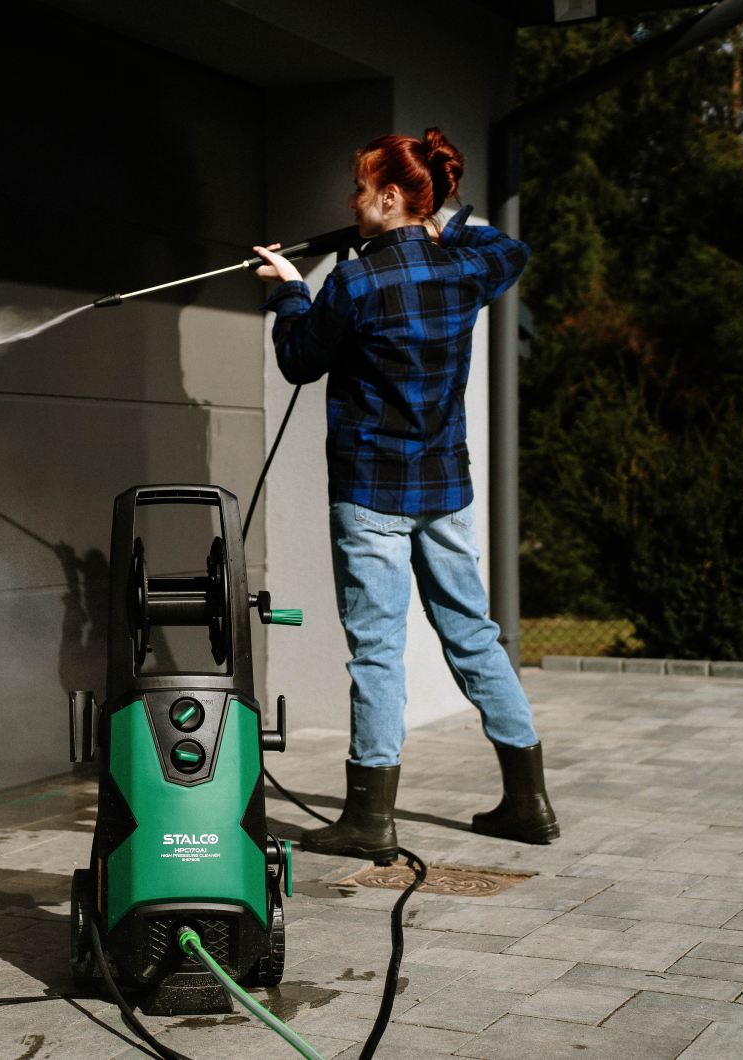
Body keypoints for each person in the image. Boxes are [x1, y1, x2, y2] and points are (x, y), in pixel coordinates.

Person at [252, 128, 559, 862]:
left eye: (362, 191)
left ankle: (369, 821)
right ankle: (529, 803)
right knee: (473, 634)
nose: (353, 202)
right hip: (446, 488)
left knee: (377, 654)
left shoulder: (355, 284)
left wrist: (290, 291)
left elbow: (299, 360)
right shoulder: (466, 268)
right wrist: (443, 221)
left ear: (390, 197)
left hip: (371, 493)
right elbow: (510, 250)